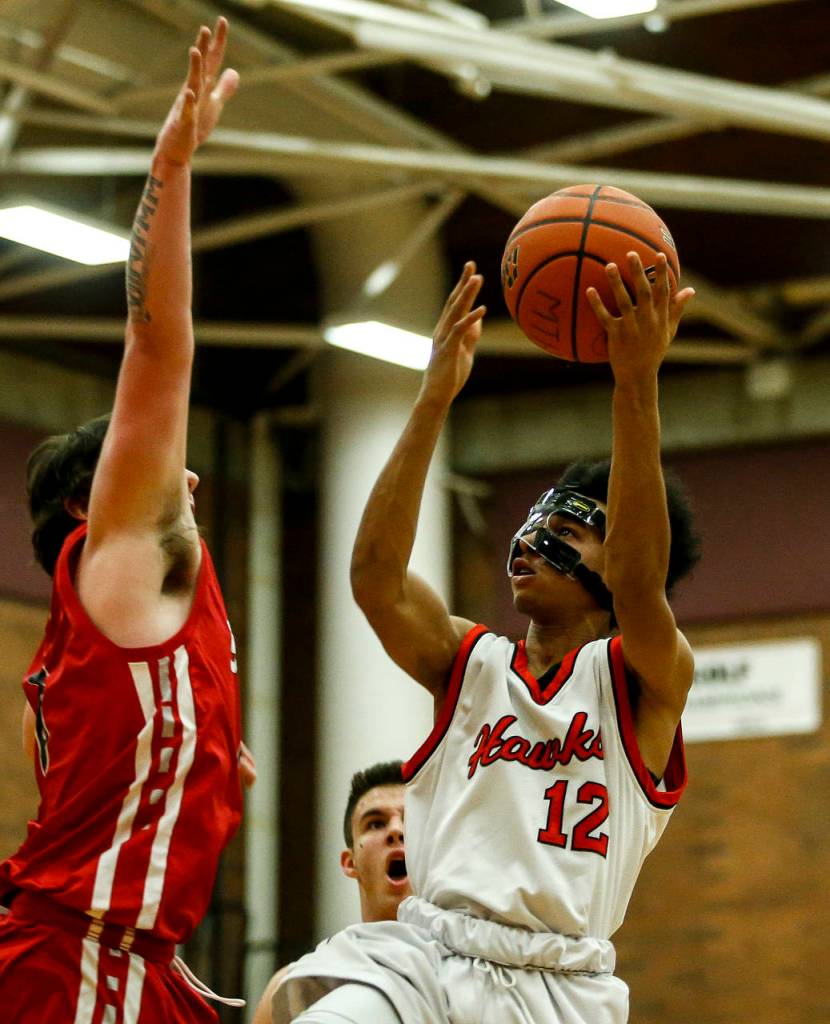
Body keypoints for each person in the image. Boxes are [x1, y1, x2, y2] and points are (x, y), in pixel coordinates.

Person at [273, 253, 701, 1024]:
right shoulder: (469, 661)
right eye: (533, 524)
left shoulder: (644, 677)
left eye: (567, 529)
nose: (532, 540)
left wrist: (635, 384)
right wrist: (434, 395)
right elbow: (374, 578)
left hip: (558, 985)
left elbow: (641, 582)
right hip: (426, 956)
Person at [0, 19, 251, 1023]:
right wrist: (174, 168)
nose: (182, 470)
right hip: (81, 960)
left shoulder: (91, 654)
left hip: (127, 958)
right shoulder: (122, 559)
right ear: (88, 500)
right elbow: (157, 350)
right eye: (149, 465)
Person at [253, 760, 411, 1024]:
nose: (396, 830)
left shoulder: (476, 977)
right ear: (351, 863)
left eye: (411, 819)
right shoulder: (293, 988)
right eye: (375, 823)